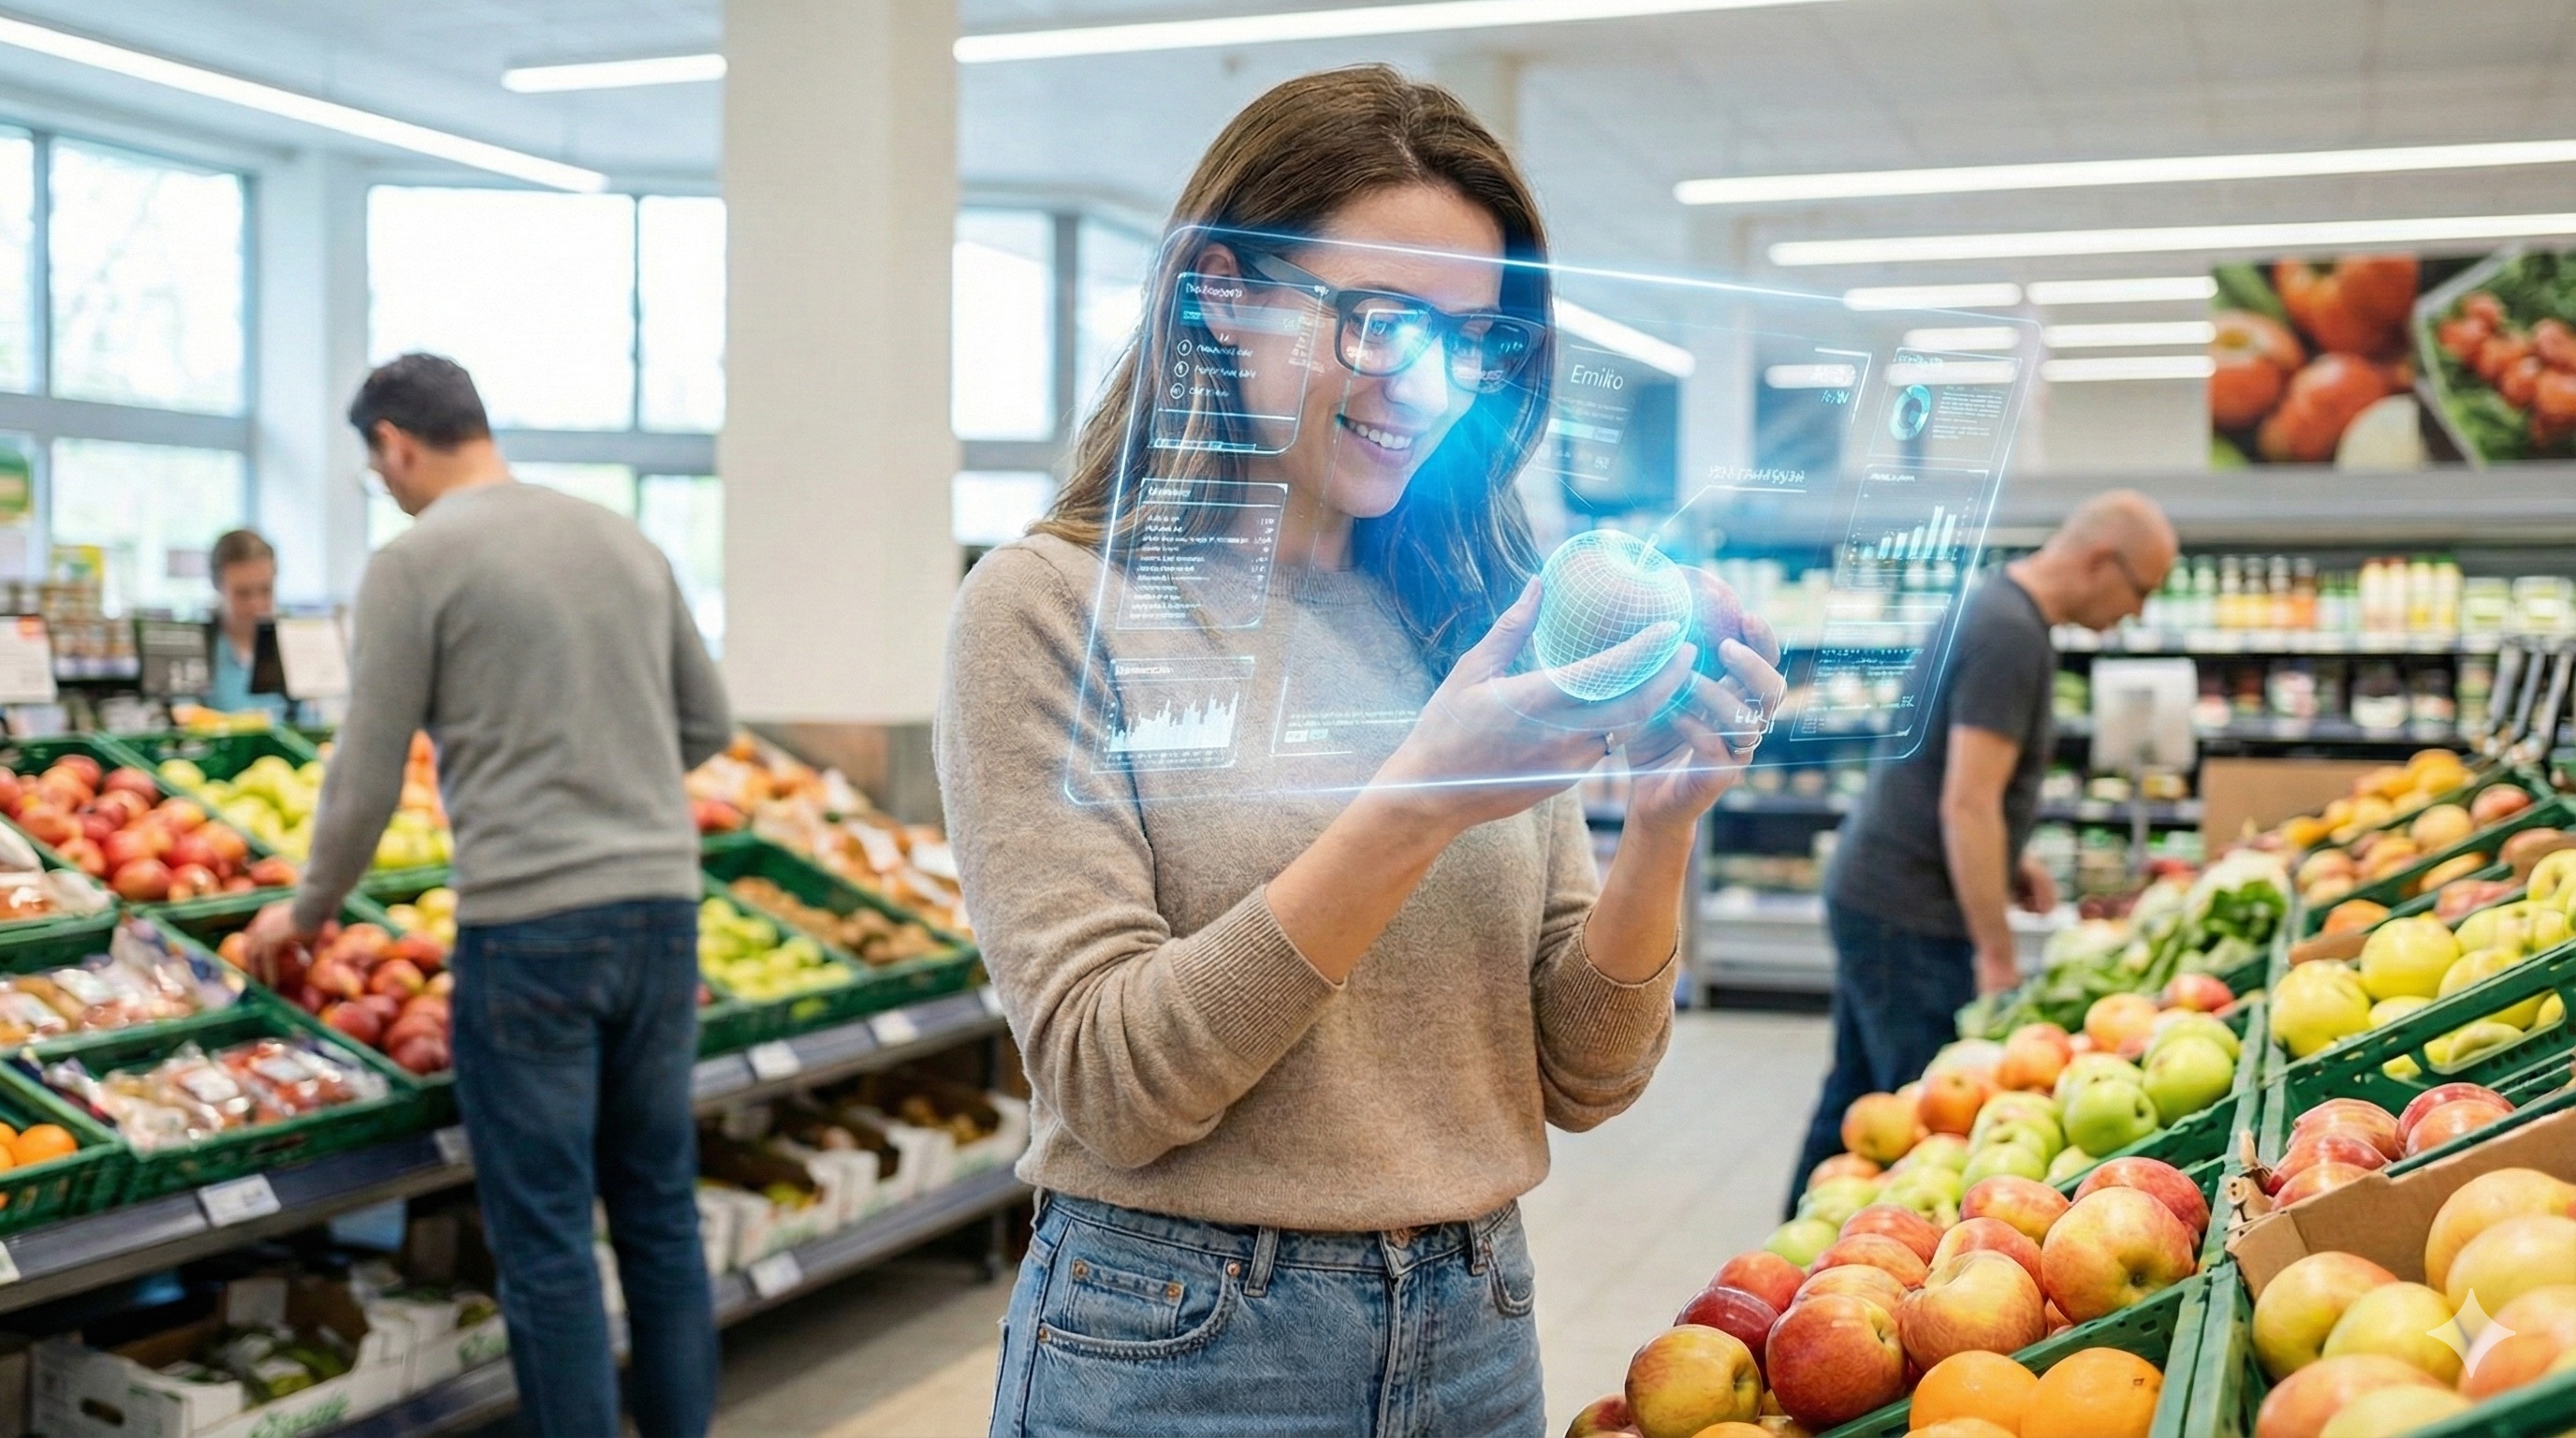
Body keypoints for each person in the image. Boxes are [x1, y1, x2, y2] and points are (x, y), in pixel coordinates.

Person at [940, 66, 1787, 1437]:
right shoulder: (1047, 611)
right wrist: (1417, 803)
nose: (1428, 385)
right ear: (1221, 294)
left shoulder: (1469, 611)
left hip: (1476, 1323)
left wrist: (1665, 823)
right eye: (1380, 320)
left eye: (1475, 338)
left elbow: (1586, 1075)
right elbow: (1110, 1083)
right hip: (1179, 1343)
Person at [244, 353, 732, 1438]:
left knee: (548, 1237)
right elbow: (708, 725)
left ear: (395, 444)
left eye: (377, 468)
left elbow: (367, 775)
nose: (385, 487)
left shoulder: (414, 562)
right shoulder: (622, 538)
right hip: (662, 913)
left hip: (531, 927)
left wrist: (308, 909)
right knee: (658, 1213)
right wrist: (616, 779)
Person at [1786, 490, 2178, 1207]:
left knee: (1860, 1096)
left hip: (1881, 887)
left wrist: (2009, 859)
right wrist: (1996, 956)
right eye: (2141, 591)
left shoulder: (2000, 608)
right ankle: (1852, 1250)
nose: (2137, 613)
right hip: (1909, 910)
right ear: (2101, 560)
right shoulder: (2010, 635)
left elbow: (1956, 777)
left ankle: (1797, 1243)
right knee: (1924, 1121)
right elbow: (1967, 801)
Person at [203, 528, 290, 719]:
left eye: (265, 590)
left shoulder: (292, 643)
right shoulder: (201, 647)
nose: (256, 605)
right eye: (243, 594)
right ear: (218, 587)